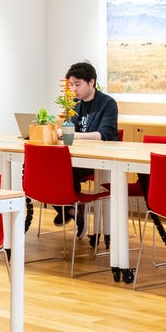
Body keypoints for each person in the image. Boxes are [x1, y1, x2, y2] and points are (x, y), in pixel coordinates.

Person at [56, 61, 119, 235]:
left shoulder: (107, 104)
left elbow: (101, 135)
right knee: (40, 168)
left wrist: (71, 134)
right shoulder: (76, 104)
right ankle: (70, 209)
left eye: (77, 84)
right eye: (71, 85)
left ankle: (70, 207)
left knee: (64, 170)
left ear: (91, 82)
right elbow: (70, 131)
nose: (73, 89)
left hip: (99, 159)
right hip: (77, 157)